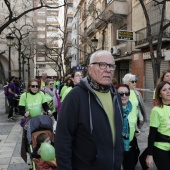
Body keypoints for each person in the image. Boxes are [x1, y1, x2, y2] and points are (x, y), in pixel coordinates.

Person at [55, 50, 124, 170]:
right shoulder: (75, 96)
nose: (108, 70)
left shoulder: (116, 95)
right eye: (102, 65)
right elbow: (63, 140)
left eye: (111, 66)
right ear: (90, 69)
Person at [140, 81, 170, 170]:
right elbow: (152, 134)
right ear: (160, 95)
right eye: (164, 90)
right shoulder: (156, 110)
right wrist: (149, 154)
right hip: (161, 148)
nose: (168, 91)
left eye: (169, 89)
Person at [115, 84, 140, 170]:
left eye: (127, 93)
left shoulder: (132, 106)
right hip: (116, 149)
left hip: (130, 147)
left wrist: (136, 129)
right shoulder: (112, 108)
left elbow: (134, 120)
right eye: (121, 94)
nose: (124, 96)